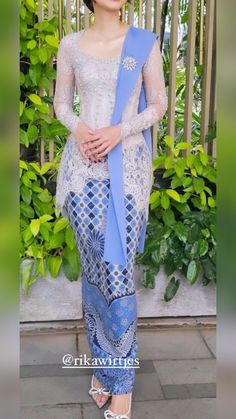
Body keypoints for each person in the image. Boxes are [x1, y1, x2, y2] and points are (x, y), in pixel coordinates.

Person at [53, 1, 167, 417]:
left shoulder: (142, 44)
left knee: (117, 271)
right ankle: (103, 364)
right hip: (83, 174)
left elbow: (158, 104)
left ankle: (123, 385)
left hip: (128, 171)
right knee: (94, 271)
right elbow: (61, 105)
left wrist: (120, 129)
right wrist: (81, 129)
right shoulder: (71, 45)